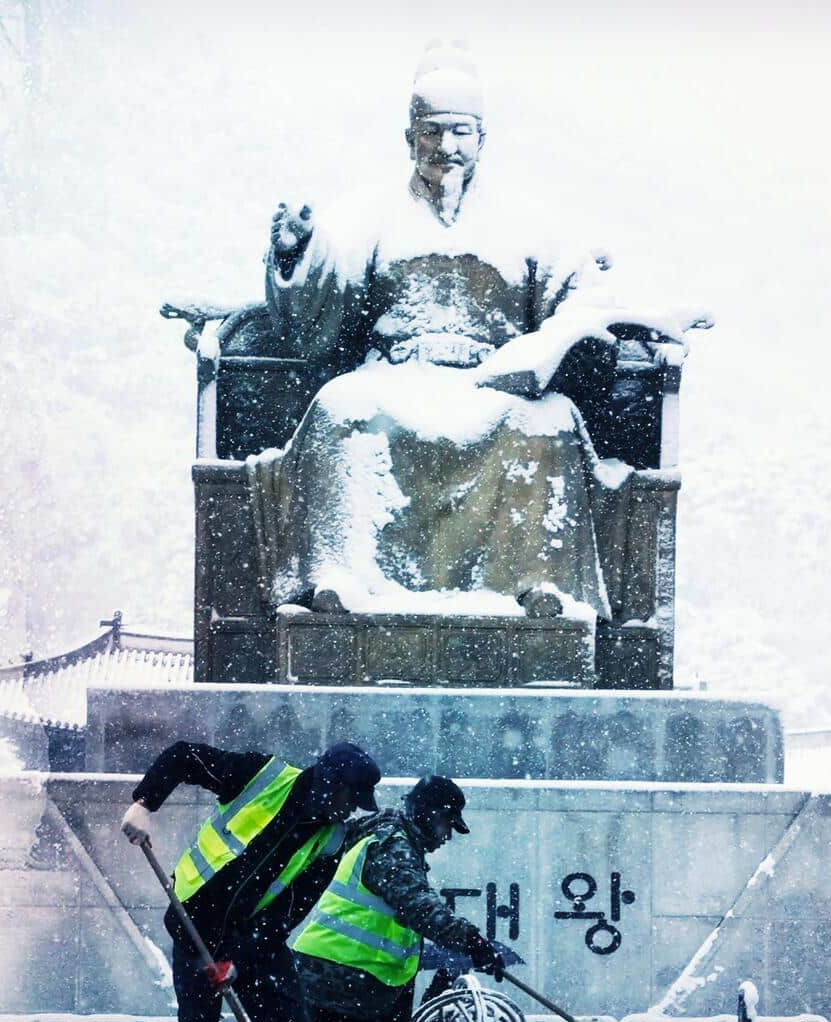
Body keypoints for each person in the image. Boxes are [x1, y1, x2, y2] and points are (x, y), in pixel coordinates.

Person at [242, 42, 695, 618]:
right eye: (432, 132)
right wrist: (294, 253)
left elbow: (580, 295)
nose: (446, 148)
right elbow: (323, 305)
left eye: (460, 133)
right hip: (396, 376)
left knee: (550, 421)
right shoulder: (370, 214)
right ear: (410, 139)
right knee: (338, 408)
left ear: (483, 139)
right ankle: (340, 577)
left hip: (493, 381)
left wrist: (568, 333)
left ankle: (539, 586)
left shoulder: (530, 219)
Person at [119, 741, 381, 1022]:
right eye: (352, 800)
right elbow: (184, 756)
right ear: (331, 784)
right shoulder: (263, 776)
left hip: (252, 938)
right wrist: (144, 803)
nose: (352, 811)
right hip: (195, 923)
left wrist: (238, 961)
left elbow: (288, 912)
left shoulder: (331, 840)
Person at [272, 776, 505, 1022]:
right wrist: (473, 942)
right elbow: (419, 906)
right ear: (428, 814)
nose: (447, 836)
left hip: (345, 986)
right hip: (336, 982)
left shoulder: (384, 836)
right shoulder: (393, 846)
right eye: (447, 824)